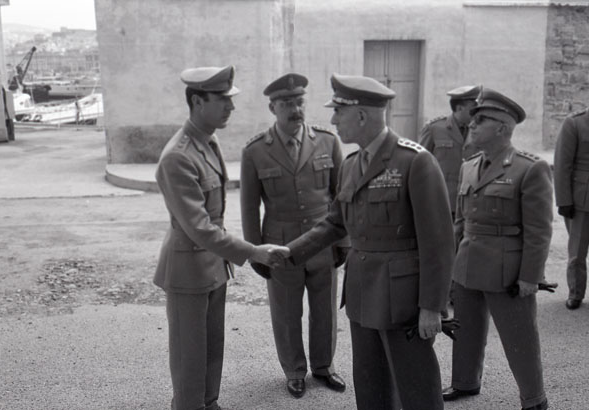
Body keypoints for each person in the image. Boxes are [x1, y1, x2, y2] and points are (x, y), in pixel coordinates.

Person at [275, 73, 455, 410]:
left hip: (403, 298)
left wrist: (432, 307)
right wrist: (289, 253)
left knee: (416, 384)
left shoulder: (415, 161)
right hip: (361, 292)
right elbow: (334, 223)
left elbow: (439, 242)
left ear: (360, 115)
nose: (333, 120)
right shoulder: (351, 164)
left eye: (338, 112)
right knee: (371, 383)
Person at [153, 65, 287, 410]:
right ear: (198, 101)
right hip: (187, 269)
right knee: (189, 355)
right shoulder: (178, 156)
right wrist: (253, 251)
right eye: (222, 99)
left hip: (212, 265)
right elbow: (199, 227)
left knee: (212, 347)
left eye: (230, 99)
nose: (231, 106)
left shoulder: (207, 141)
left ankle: (208, 403)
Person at [442, 87, 551, 410]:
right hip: (467, 263)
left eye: (481, 120)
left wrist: (530, 276)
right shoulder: (469, 166)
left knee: (520, 337)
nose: (472, 125)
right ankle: (465, 382)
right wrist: (451, 266)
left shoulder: (528, 168)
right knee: (465, 330)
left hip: (507, 270)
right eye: (472, 119)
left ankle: (534, 398)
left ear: (502, 128)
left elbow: (539, 231)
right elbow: (460, 222)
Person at [240, 73, 348, 398]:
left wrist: (343, 241)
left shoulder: (328, 141)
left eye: (299, 102)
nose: (295, 109)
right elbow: (249, 208)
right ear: (272, 108)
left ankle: (324, 366)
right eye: (286, 103)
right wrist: (255, 252)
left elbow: (341, 197)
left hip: (322, 243)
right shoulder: (255, 151)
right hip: (280, 246)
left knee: (324, 310)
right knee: (287, 313)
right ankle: (294, 371)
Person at [419, 85, 481, 217]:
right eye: (473, 108)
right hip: (442, 200)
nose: (476, 112)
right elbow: (420, 164)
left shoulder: (480, 130)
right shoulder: (434, 129)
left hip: (471, 202)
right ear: (459, 108)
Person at [554, 106, 589, 310]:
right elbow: (562, 164)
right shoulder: (575, 123)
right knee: (577, 252)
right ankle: (576, 293)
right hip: (582, 200)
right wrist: (563, 200)